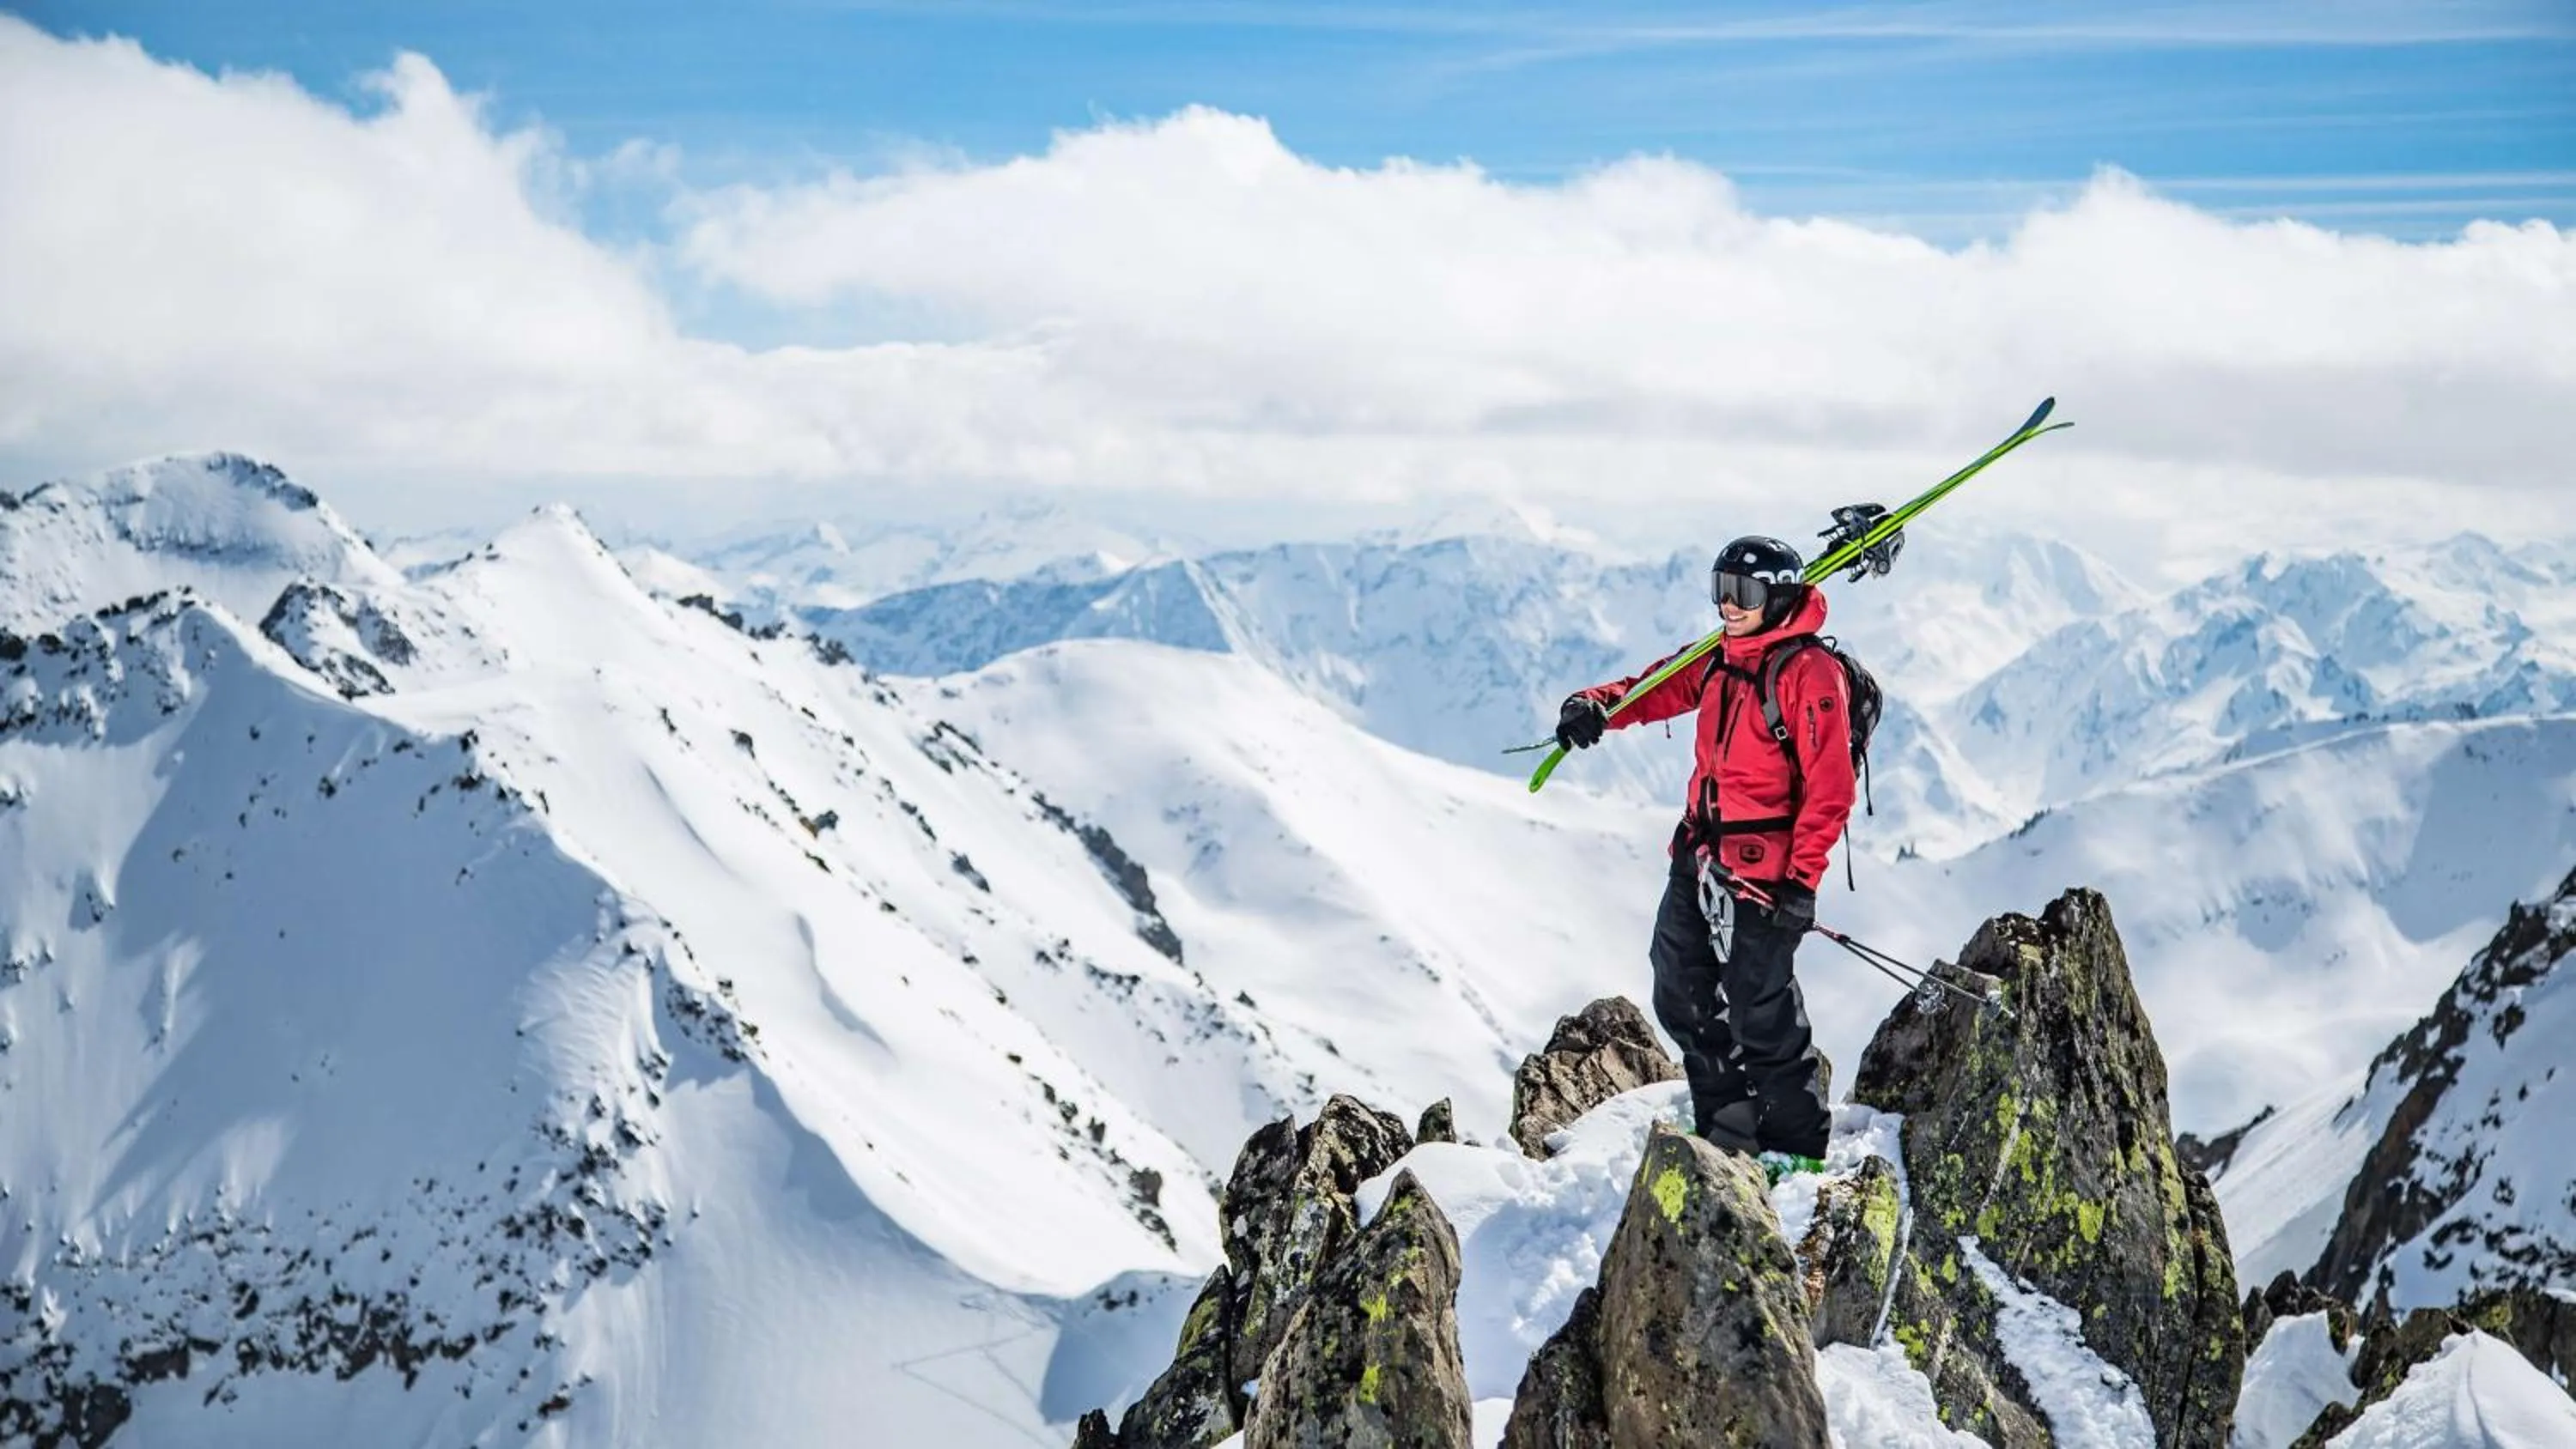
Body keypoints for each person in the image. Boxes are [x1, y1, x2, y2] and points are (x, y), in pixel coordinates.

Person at [1554, 535, 1856, 1171]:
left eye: (1743, 593)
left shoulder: (1809, 673)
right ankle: (1729, 1125)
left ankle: (1797, 1149)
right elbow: (1654, 688)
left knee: (1760, 1003)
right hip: (1699, 851)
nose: (1727, 604)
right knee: (1680, 986)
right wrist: (1596, 707)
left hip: (1767, 872)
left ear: (1776, 596)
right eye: (1720, 588)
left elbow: (1830, 789)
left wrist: (1802, 885)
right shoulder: (1720, 657)